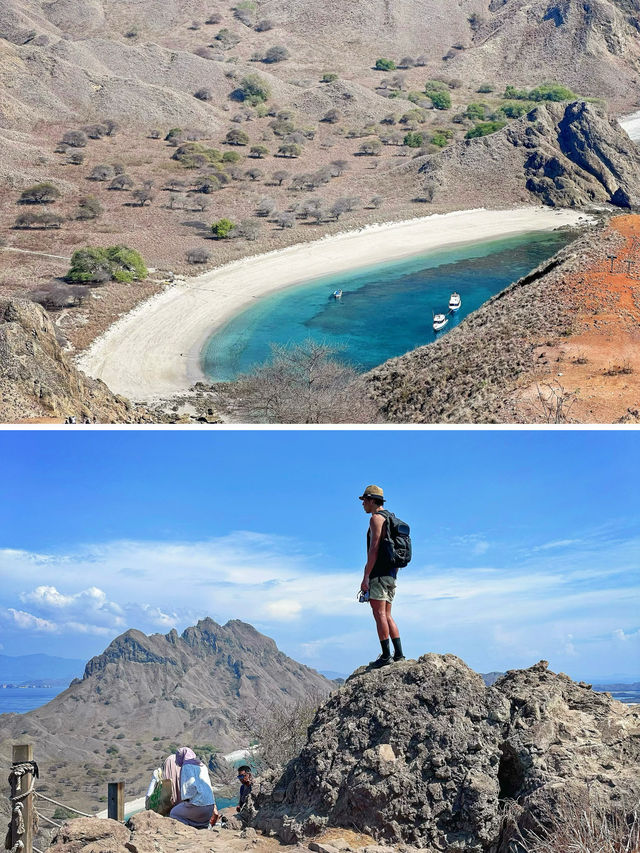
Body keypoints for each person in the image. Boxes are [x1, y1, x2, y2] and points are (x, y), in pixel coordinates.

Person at [359, 484, 405, 668]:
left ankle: (386, 656)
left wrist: (366, 576)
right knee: (387, 614)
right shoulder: (391, 518)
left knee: (379, 614)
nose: (363, 505)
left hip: (378, 574)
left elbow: (374, 549)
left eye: (364, 501)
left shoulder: (376, 519)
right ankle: (399, 654)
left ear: (371, 500)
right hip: (392, 574)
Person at [169, 747, 218, 829]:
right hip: (210, 807)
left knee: (174, 813)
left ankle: (190, 829)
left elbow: (189, 787)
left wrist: (185, 798)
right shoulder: (202, 765)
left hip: (198, 806)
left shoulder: (186, 766)